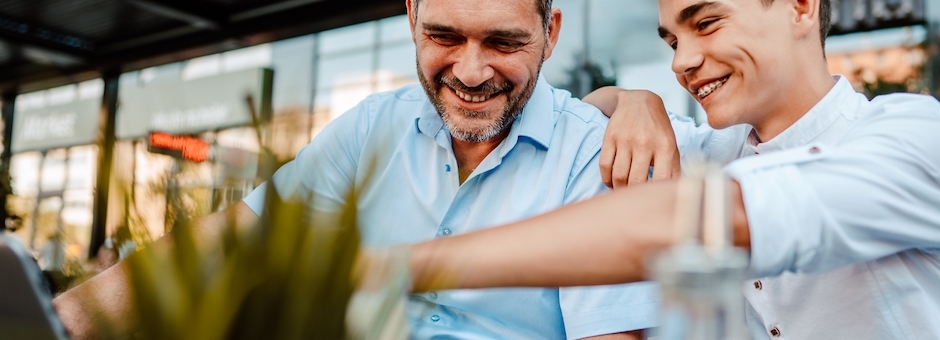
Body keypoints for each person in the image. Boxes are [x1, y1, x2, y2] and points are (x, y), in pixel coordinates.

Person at [395, 0, 940, 338]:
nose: (683, 61)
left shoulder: (914, 137)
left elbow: (690, 220)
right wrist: (635, 100)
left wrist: (393, 270)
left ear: (802, 6)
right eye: (671, 41)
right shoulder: (708, 151)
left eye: (707, 22)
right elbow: (583, 124)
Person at [53, 0, 660, 339]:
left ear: (550, 35)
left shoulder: (596, 154)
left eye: (503, 43)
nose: (471, 73)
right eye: (443, 36)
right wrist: (56, 326)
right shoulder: (372, 127)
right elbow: (230, 237)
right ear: (410, 19)